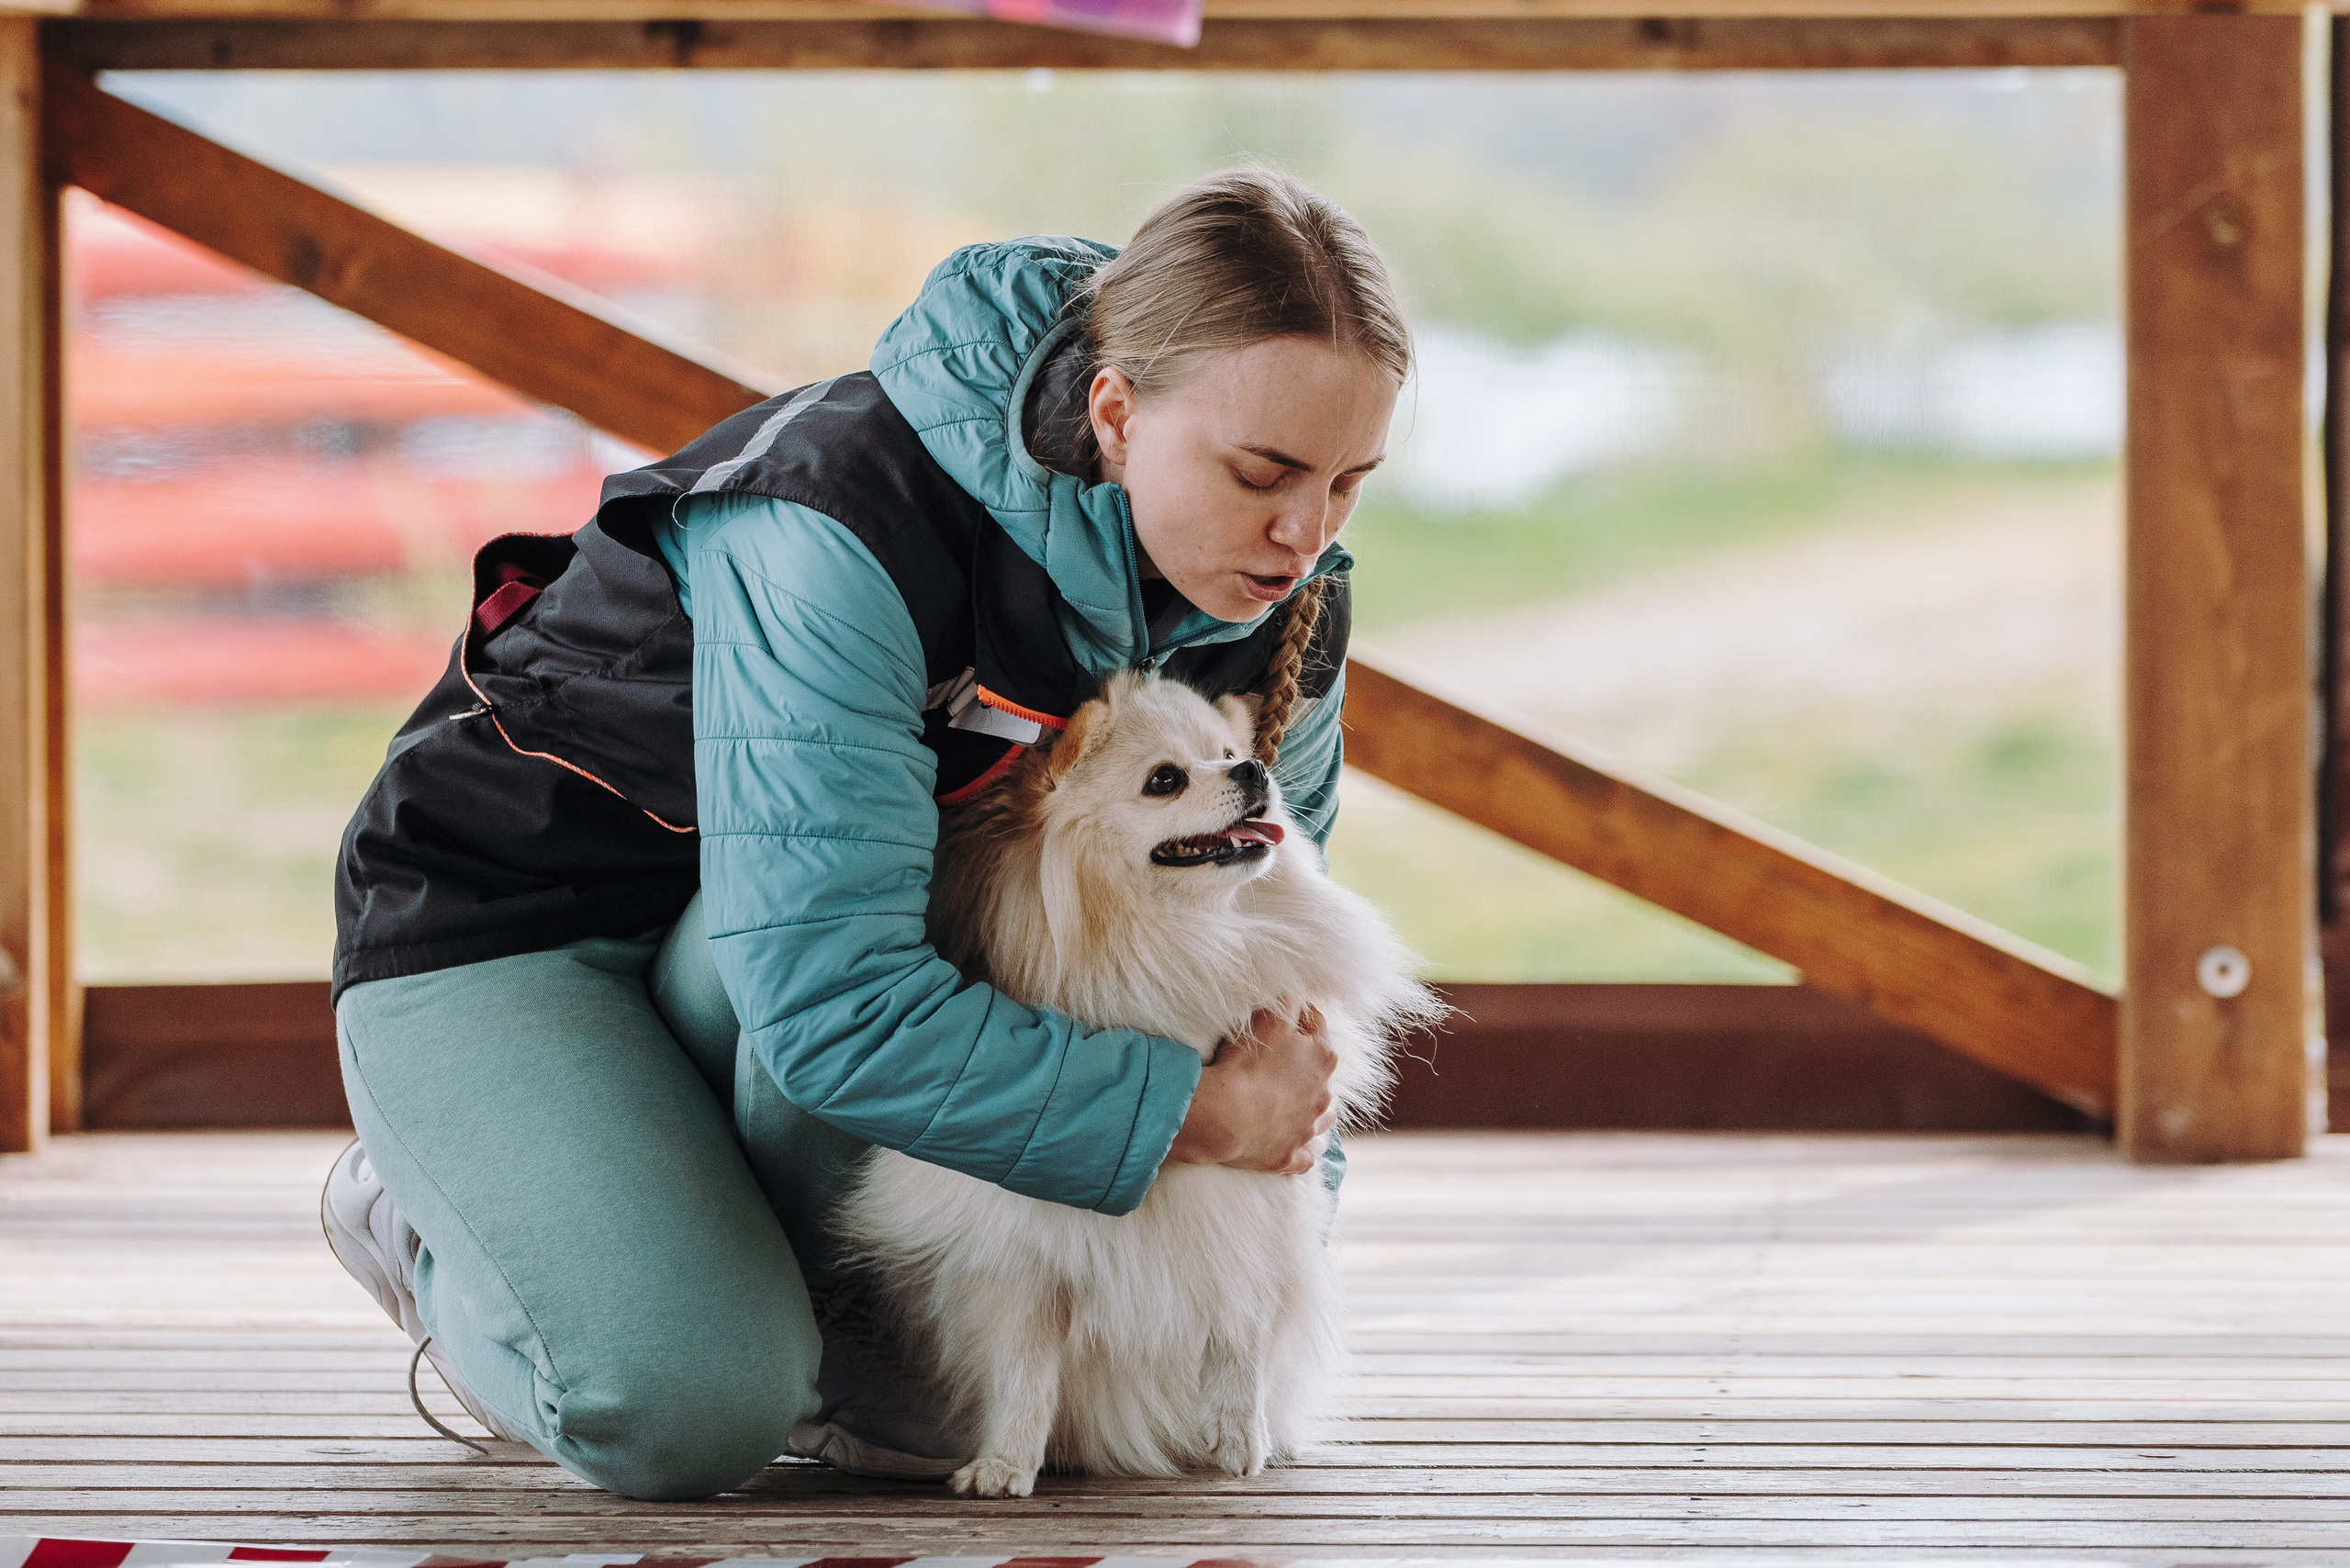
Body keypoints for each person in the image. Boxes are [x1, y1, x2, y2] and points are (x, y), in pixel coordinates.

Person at [318, 167, 1410, 1502]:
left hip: (781, 951)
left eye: (1352, 483)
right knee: (691, 1406)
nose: (1305, 534)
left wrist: (1267, 1225)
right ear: (1116, 414)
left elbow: (1277, 971)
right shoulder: (833, 524)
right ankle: (443, 1217)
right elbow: (837, 1003)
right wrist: (1188, 1117)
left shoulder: (1274, 591)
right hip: (511, 933)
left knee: (936, 1420)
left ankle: (697, 1220)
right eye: (1265, 474)